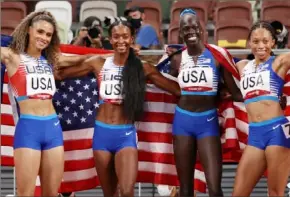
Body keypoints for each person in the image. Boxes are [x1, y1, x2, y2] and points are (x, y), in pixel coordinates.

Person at [55, 20, 180, 197]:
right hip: (102, 135)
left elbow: (175, 90)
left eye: (125, 36)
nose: (121, 41)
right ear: (110, 40)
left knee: (127, 191)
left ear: (132, 39)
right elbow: (60, 74)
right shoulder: (98, 63)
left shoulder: (142, 68)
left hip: (126, 136)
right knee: (109, 193)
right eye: (116, 37)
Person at [0, 10, 99, 196]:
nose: (44, 38)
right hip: (29, 130)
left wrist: (120, 54)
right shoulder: (12, 57)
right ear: (29, 30)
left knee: (53, 194)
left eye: (48, 35)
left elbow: (87, 58)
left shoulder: (52, 60)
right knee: (26, 194)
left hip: (53, 129)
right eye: (40, 32)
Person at [168, 8, 242, 197]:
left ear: (201, 29)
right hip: (183, 122)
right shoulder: (176, 59)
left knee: (215, 189)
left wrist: (271, 95)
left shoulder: (217, 57)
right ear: (181, 33)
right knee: (185, 189)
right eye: (186, 28)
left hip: (207, 123)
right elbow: (163, 85)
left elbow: (237, 93)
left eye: (194, 26)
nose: (190, 30)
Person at [232, 21, 290, 197]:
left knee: (275, 193)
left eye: (265, 41)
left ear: (273, 42)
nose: (261, 46)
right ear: (249, 42)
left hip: (277, 131)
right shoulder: (242, 66)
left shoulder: (279, 62)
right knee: (238, 193)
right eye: (256, 41)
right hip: (255, 135)